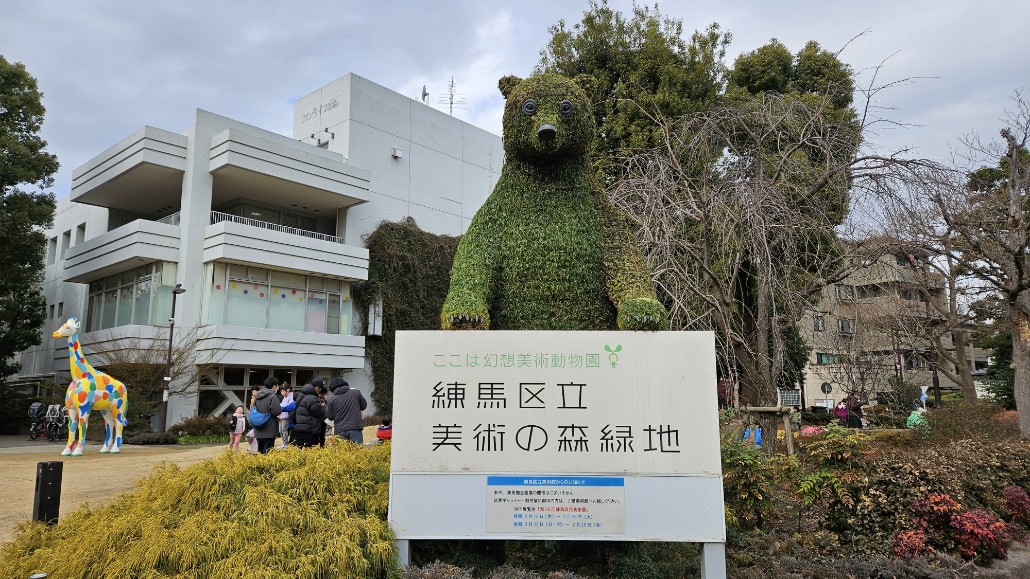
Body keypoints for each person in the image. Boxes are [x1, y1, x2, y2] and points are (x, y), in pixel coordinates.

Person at [325, 377, 367, 444]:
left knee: (343, 453)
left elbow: (329, 417)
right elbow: (364, 406)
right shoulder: (356, 392)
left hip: (339, 430)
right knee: (357, 451)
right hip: (355, 427)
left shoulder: (331, 399)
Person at [291, 378, 326, 448]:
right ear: (317, 388)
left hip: (300, 428)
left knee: (301, 453)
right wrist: (323, 407)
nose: (320, 390)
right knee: (310, 453)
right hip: (310, 429)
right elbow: (318, 413)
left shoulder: (301, 395)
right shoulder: (312, 398)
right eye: (320, 388)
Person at [251, 376, 282, 453]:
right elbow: (276, 411)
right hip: (269, 428)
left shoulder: (257, 396)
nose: (277, 388)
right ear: (274, 386)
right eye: (277, 386)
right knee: (268, 453)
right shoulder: (272, 396)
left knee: (260, 451)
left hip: (258, 428)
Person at [277, 385, 295, 449]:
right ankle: (284, 443)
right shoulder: (285, 397)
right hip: (281, 416)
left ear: (287, 390)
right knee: (280, 431)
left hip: (286, 416)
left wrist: (281, 406)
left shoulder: (291, 396)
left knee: (284, 430)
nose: (281, 393)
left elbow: (289, 406)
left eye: (282, 391)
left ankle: (286, 444)